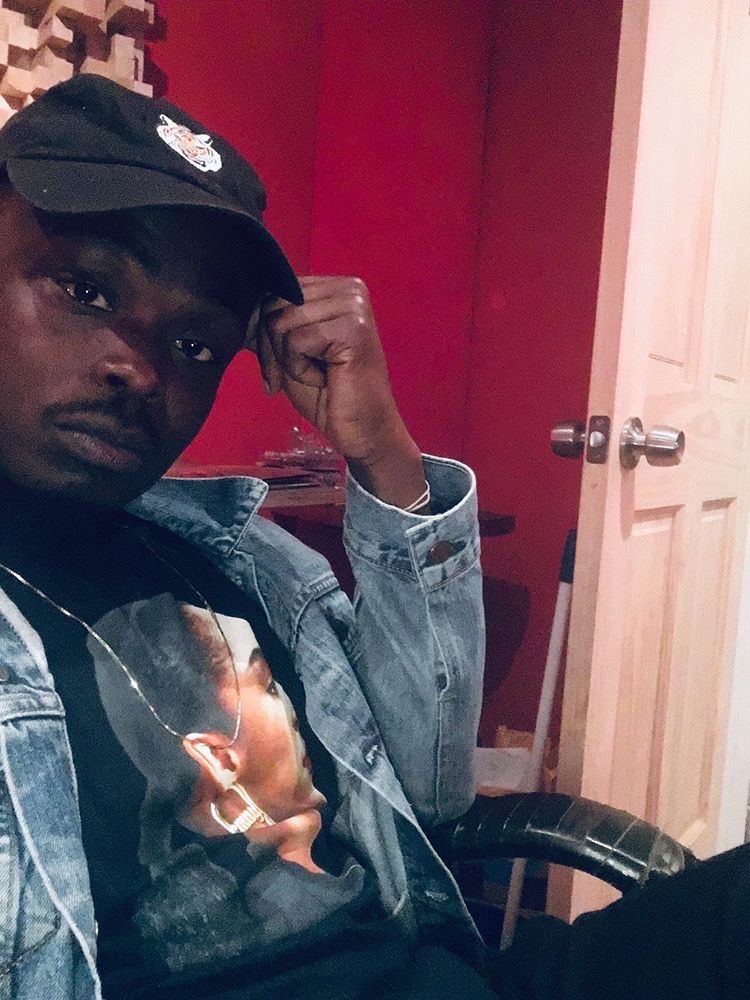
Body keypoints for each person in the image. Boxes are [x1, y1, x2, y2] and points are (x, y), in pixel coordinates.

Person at [0, 73, 749, 1000]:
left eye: (196, 345)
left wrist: (382, 451)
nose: (141, 368)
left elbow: (430, 789)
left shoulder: (241, 562)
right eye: (84, 289)